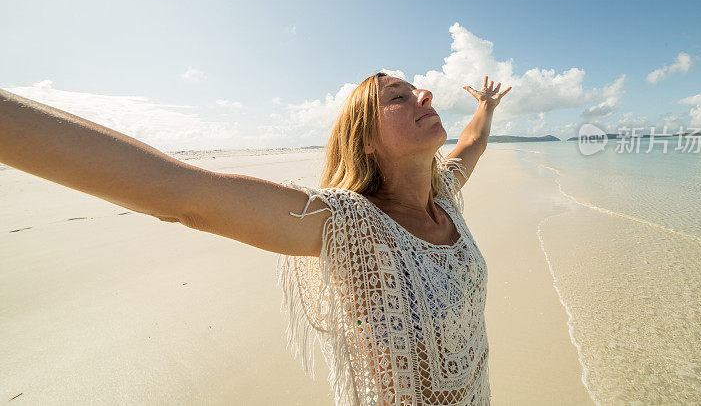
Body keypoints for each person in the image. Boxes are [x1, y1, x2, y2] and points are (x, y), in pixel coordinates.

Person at [0, 72, 511, 405]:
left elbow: (473, 141)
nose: (423, 94)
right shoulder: (348, 226)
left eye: (418, 90)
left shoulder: (444, 192)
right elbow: (186, 196)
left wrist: (486, 104)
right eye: (398, 97)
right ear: (366, 141)